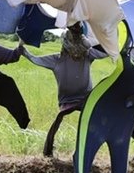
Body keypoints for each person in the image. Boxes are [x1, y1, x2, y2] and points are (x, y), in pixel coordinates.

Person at [19, 22, 106, 157]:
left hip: (86, 98)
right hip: (67, 101)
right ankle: (47, 152)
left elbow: (105, 53)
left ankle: (85, 151)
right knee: (59, 117)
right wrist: (22, 49)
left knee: (101, 116)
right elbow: (35, 59)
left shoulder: (87, 55)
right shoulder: (56, 59)